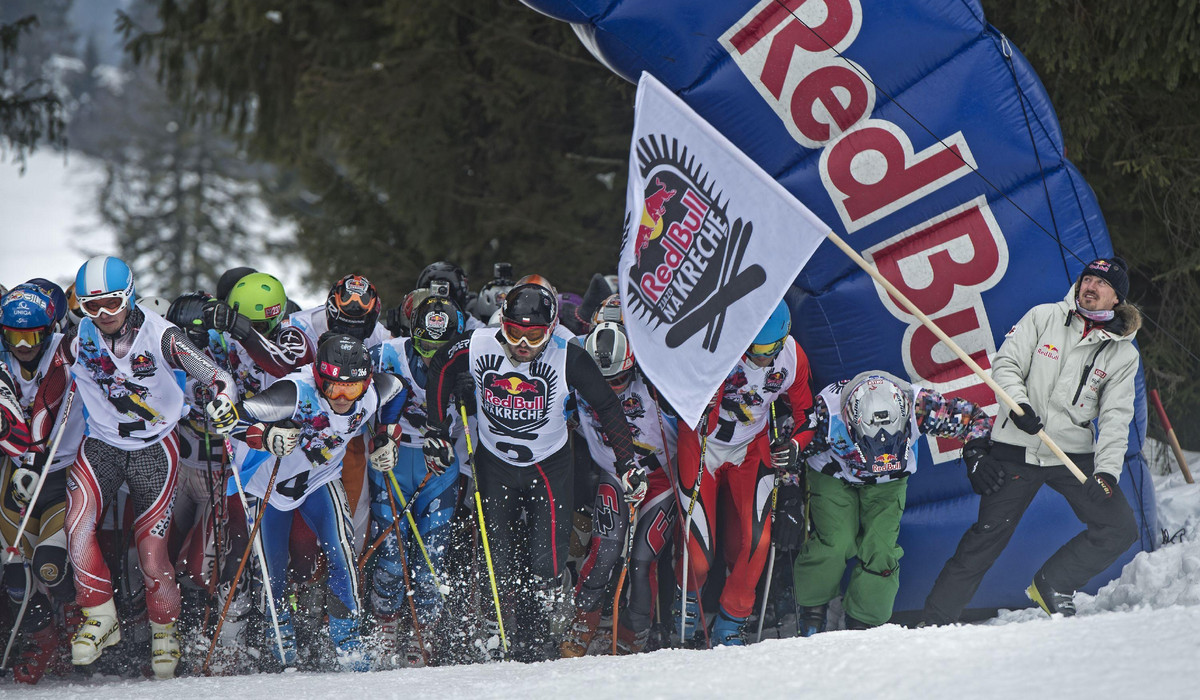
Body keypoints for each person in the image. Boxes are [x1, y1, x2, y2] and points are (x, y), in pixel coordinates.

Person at [424, 280, 641, 661]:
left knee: (548, 559)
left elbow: (607, 405)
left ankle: (541, 622)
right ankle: (493, 627)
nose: (523, 344)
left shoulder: (568, 356)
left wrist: (628, 464)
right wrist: (437, 429)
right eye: (514, 332)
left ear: (552, 329)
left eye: (535, 334)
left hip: (549, 465)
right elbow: (441, 363)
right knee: (498, 555)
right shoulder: (479, 344)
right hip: (495, 464)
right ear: (502, 325)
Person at [921, 257, 1141, 624]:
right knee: (984, 540)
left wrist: (1107, 473)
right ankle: (933, 621)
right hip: (1016, 445)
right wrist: (1018, 405)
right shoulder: (1043, 317)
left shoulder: (1123, 353)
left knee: (1120, 527)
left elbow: (1117, 418)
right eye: (1087, 279)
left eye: (1101, 284)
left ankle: (1054, 583)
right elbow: (1006, 365)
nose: (1090, 286)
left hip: (1073, 455)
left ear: (1116, 298)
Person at [65, 255, 238, 678]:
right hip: (102, 444)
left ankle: (165, 633)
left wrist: (223, 400)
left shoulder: (162, 337)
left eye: (111, 304)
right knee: (76, 523)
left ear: (129, 297)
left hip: (154, 448)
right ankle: (100, 615)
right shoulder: (77, 336)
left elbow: (216, 377)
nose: (103, 315)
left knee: (151, 551)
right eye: (92, 307)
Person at [227, 333, 406, 671]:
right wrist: (265, 435)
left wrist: (386, 436)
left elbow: (396, 388)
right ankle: (280, 643)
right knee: (272, 571)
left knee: (342, 550)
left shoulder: (372, 391)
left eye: (351, 389)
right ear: (318, 378)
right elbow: (231, 420)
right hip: (269, 484)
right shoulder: (296, 392)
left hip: (319, 480)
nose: (342, 397)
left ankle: (348, 643)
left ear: (365, 383)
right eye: (333, 388)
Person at [778, 371, 993, 635]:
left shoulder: (920, 406)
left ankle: (863, 619)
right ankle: (812, 607)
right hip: (833, 474)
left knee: (881, 550)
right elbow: (785, 448)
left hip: (889, 482)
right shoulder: (824, 414)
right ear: (850, 421)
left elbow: (974, 418)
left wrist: (976, 450)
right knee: (836, 542)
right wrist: (788, 495)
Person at [674, 300, 813, 647]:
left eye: (767, 351)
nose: (759, 359)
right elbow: (671, 387)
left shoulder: (792, 357)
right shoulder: (716, 346)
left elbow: (805, 412)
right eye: (751, 350)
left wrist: (795, 445)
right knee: (700, 556)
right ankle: (687, 606)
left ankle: (732, 620)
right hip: (702, 444)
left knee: (758, 541)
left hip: (750, 448)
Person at [561, 321, 678, 657]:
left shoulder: (655, 385)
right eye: (601, 382)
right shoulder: (577, 384)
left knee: (642, 560)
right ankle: (584, 619)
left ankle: (635, 630)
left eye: (618, 380)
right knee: (605, 551)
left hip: (658, 481)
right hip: (614, 473)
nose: (610, 389)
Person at [367, 295, 467, 667]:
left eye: (441, 349)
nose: (431, 357)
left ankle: (423, 632)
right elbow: (360, 403)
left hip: (440, 468)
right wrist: (379, 438)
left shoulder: (468, 359)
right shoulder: (387, 354)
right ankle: (386, 625)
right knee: (392, 557)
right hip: (393, 461)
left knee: (431, 560)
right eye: (424, 346)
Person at [0, 283, 86, 684]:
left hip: (61, 471)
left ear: (48, 330)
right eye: (13, 335)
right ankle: (43, 638)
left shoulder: (67, 351)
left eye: (31, 335)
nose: (22, 344)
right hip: (17, 475)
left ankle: (74, 619)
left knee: (50, 567)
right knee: (15, 576)